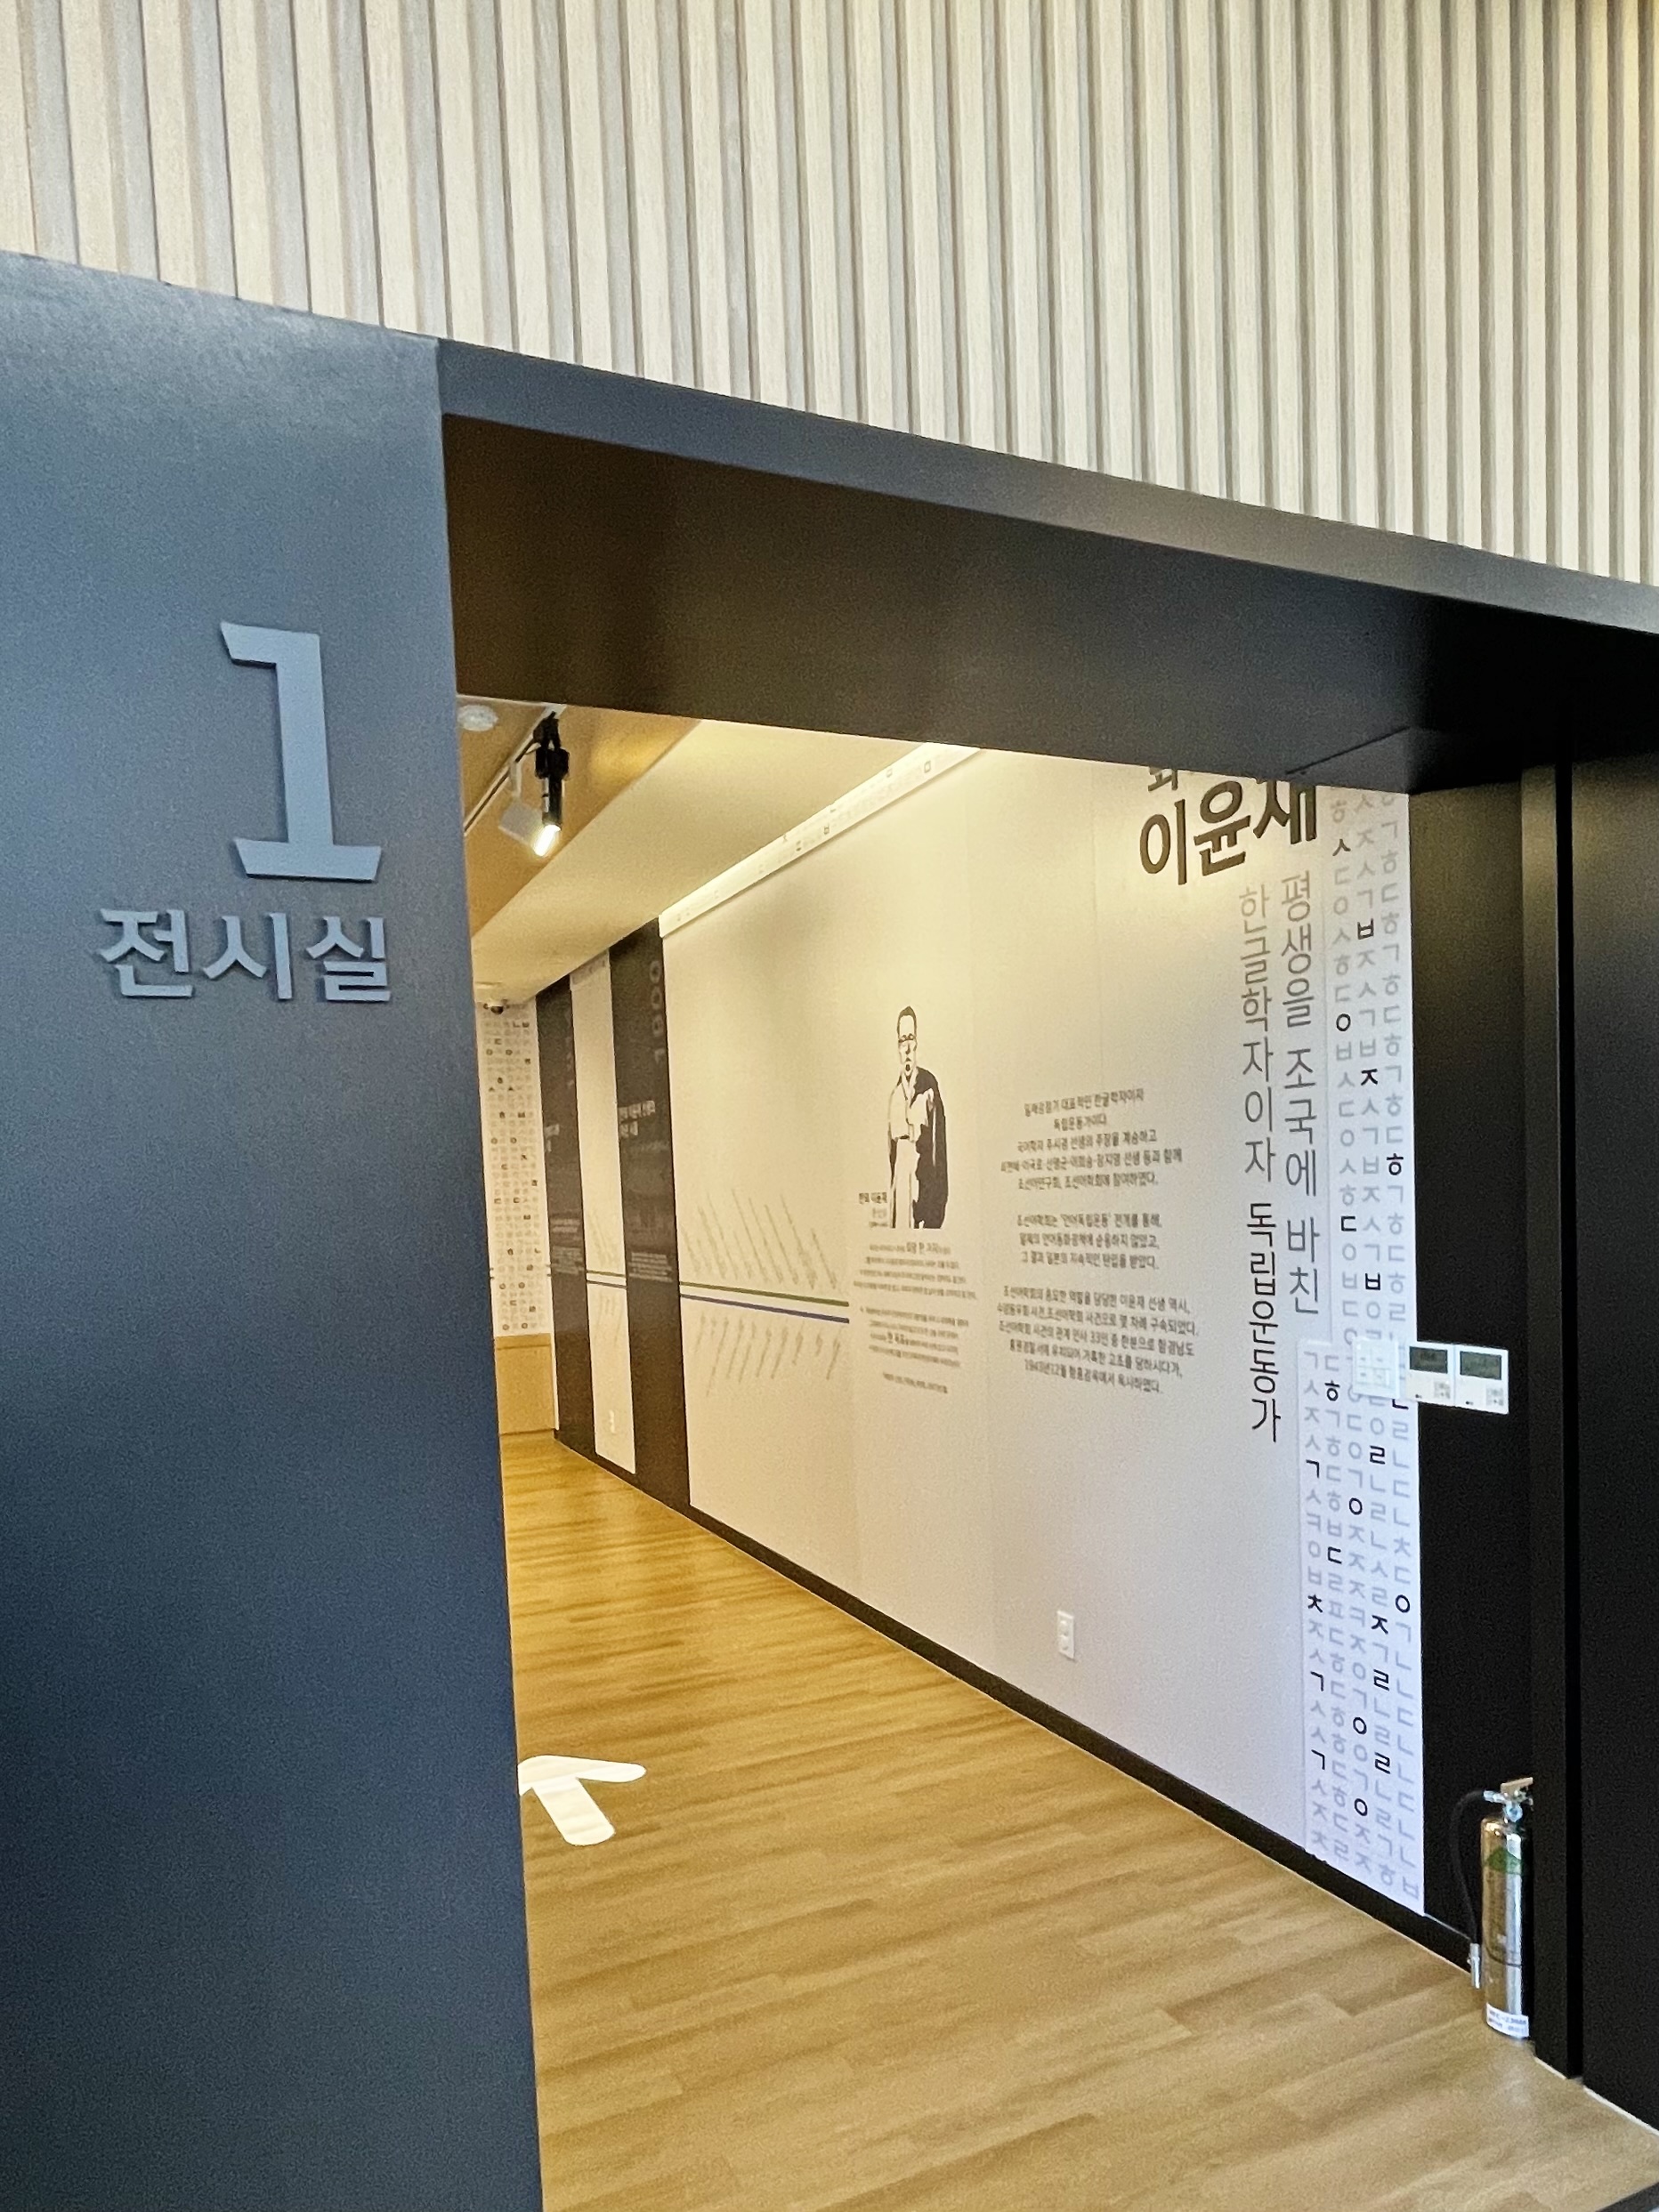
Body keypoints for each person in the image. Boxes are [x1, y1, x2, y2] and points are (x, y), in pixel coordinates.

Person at [887, 1005, 948, 1229]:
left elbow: (938, 1148)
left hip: (923, 1189)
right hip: (901, 1190)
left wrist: (936, 1204)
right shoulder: (894, 1094)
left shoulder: (929, 1086)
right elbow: (891, 1155)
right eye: (902, 1040)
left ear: (917, 1042)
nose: (907, 1047)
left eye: (911, 1038)